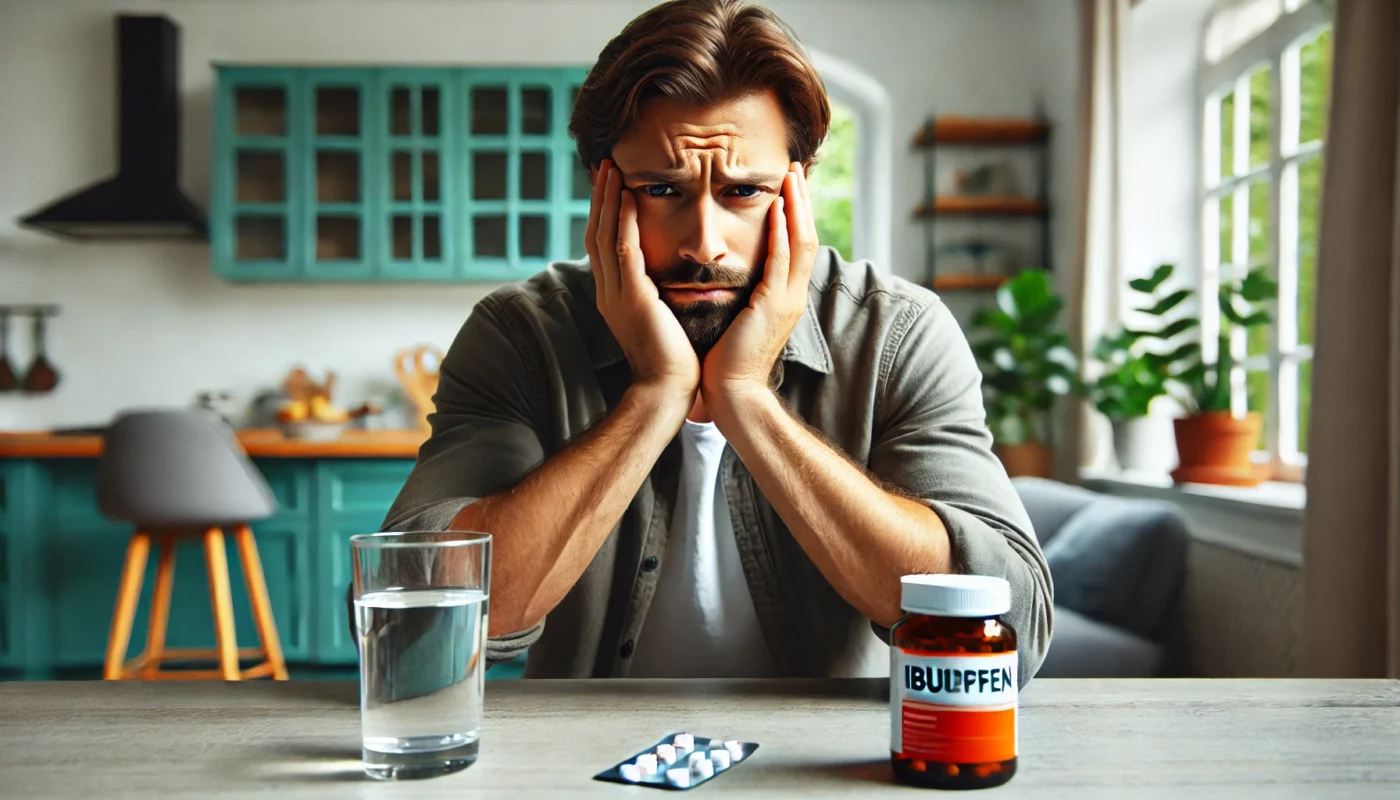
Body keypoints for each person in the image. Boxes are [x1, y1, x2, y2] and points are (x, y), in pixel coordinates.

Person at [381, 0, 1052, 683]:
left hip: (828, 778)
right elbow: (415, 618)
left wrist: (745, 399)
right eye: (663, 188)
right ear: (603, 187)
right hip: (582, 770)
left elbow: (1011, 631)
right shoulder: (522, 337)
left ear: (799, 184)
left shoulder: (896, 334)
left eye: (742, 192)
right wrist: (653, 395)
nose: (705, 242)